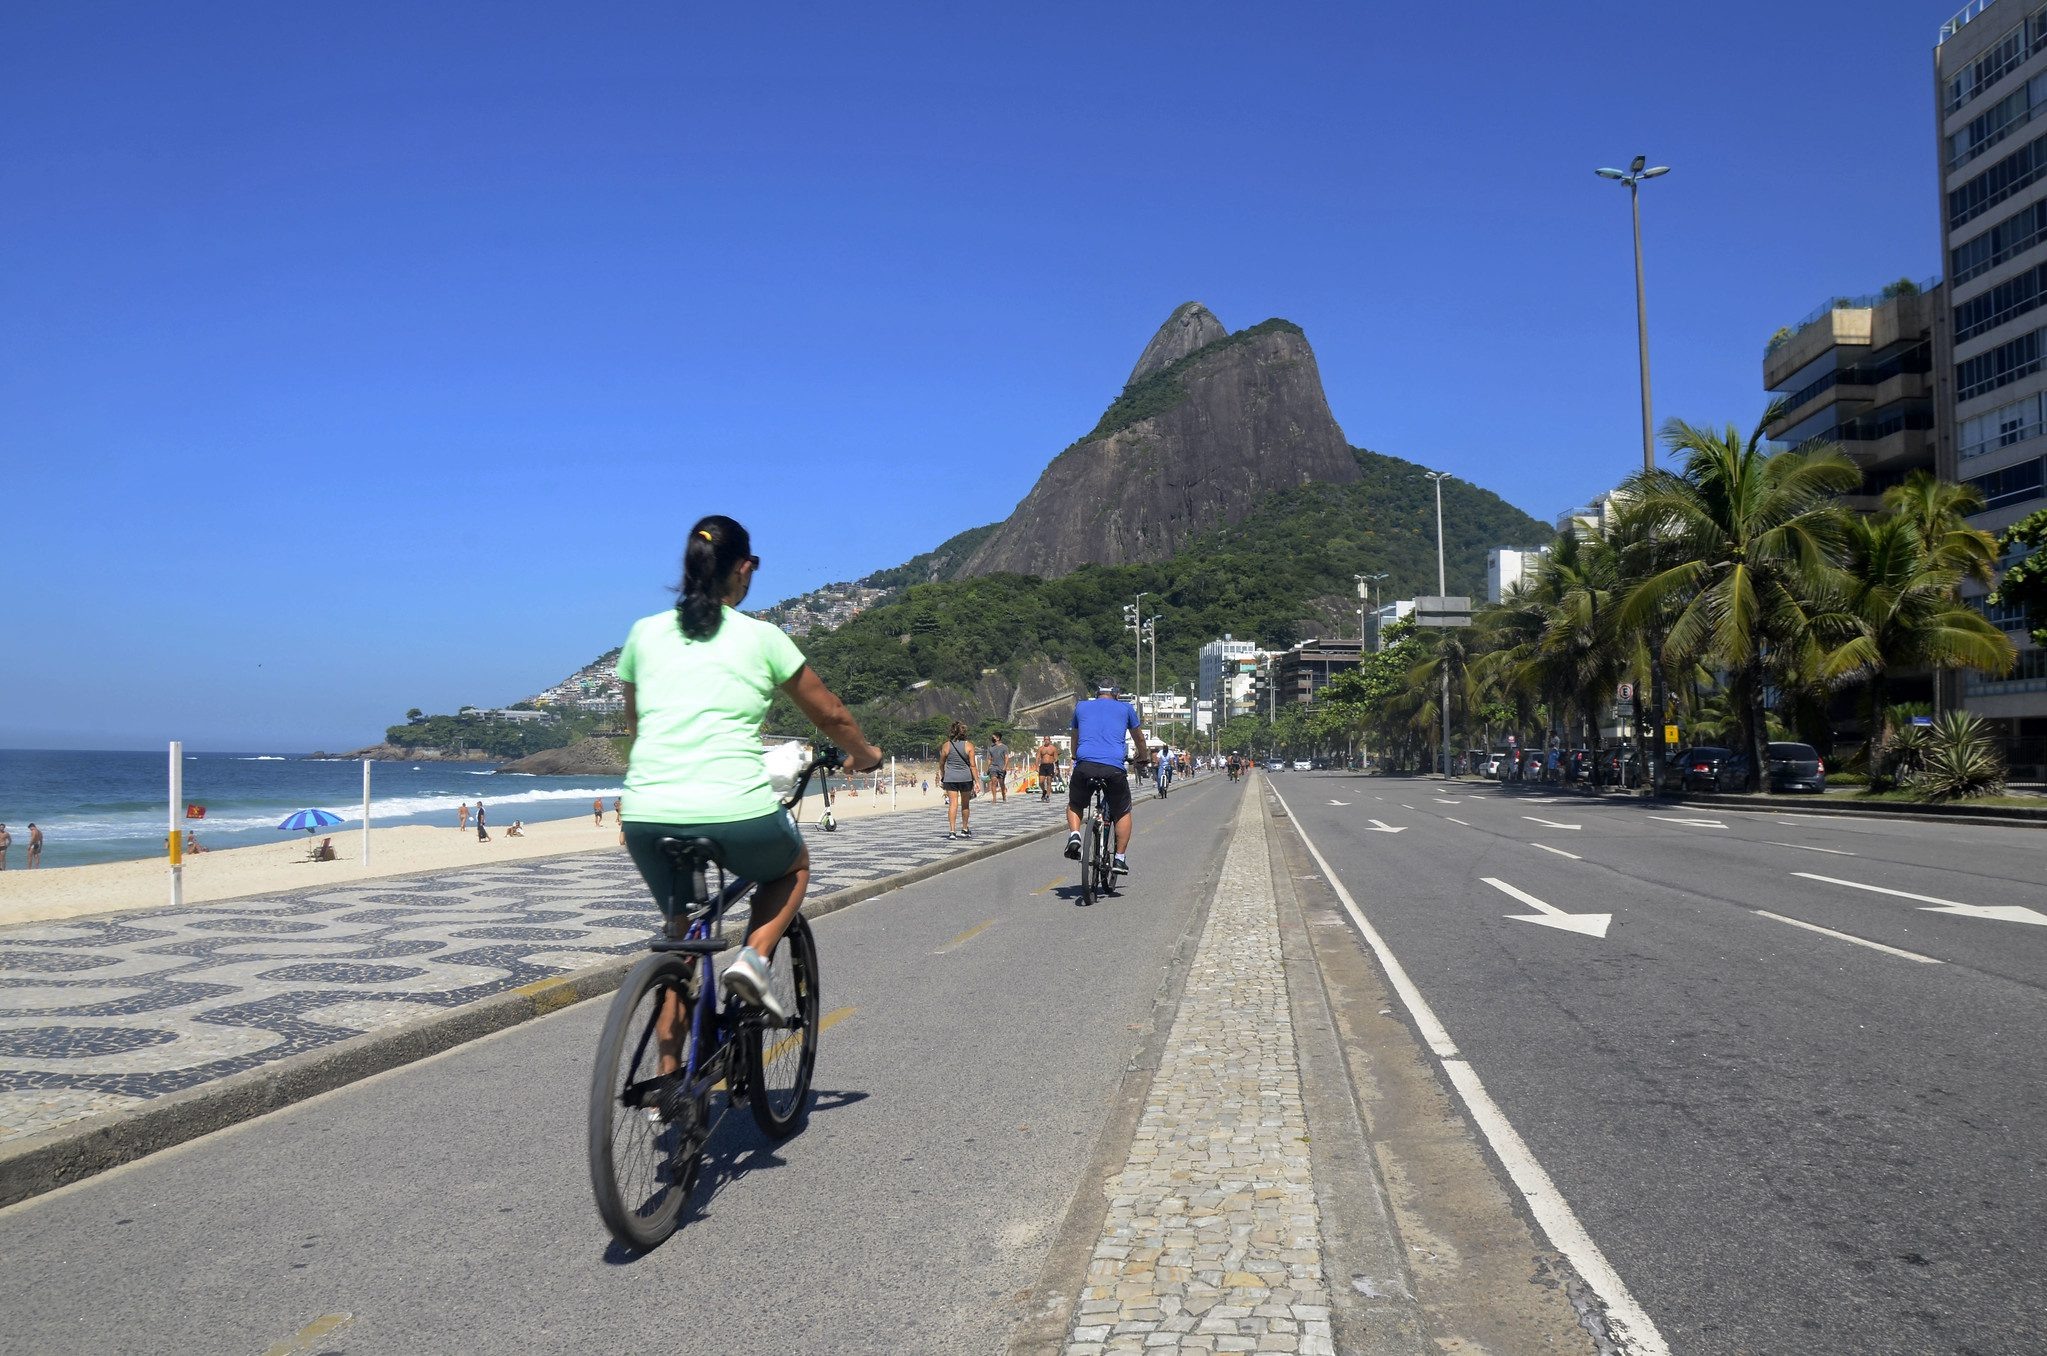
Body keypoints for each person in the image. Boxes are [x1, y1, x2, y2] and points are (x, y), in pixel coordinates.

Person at [619, 514, 881, 1055]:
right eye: (752, 570)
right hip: (733, 809)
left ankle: (673, 1100)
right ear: (742, 569)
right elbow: (830, 713)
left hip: (646, 812)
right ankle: (755, 958)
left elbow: (638, 727)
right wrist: (868, 755)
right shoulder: (761, 638)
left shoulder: (643, 634)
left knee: (683, 936)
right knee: (793, 866)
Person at [1065, 680, 1146, 876]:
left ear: (1097, 693)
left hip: (1085, 766)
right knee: (1122, 811)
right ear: (1117, 694)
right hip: (1113, 769)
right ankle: (1119, 859)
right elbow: (1139, 738)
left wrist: (1075, 755)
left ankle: (1075, 835)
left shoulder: (1081, 706)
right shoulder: (1125, 708)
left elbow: (1074, 737)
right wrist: (1142, 757)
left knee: (1075, 804)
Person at [938, 721, 979, 839]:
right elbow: (973, 765)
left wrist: (944, 775)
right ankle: (965, 829)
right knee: (965, 804)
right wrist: (977, 781)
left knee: (953, 804)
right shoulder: (969, 745)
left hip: (950, 778)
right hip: (965, 778)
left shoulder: (946, 745)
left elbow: (941, 763)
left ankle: (952, 831)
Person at [1035, 734, 1061, 802]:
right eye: (1045, 739)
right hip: (1043, 766)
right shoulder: (1041, 748)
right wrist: (1037, 767)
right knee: (1041, 781)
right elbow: (1037, 758)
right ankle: (1044, 791)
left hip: (1050, 766)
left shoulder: (1053, 748)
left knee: (1049, 781)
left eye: (1047, 739)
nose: (1046, 741)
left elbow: (1056, 759)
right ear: (1043, 740)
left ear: (1049, 740)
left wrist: (1057, 769)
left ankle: (1047, 796)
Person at [986, 732, 1010, 803]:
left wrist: (1005, 767)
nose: (992, 738)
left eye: (994, 737)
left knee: (1001, 783)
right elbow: (989, 758)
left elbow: (1006, 757)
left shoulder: (1004, 747)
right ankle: (994, 798)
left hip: (1001, 767)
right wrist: (988, 767)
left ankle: (1004, 796)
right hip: (993, 767)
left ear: (998, 738)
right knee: (994, 781)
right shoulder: (990, 748)